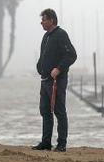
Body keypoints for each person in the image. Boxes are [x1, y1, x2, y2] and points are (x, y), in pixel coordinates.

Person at [32, 8, 77, 152]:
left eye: (44, 19)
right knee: (45, 111)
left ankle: (62, 144)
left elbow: (71, 55)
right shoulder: (46, 36)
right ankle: (46, 142)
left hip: (57, 81)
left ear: (51, 20)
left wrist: (58, 68)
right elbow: (43, 56)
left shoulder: (61, 35)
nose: (41, 22)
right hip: (44, 80)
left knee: (59, 111)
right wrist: (40, 66)